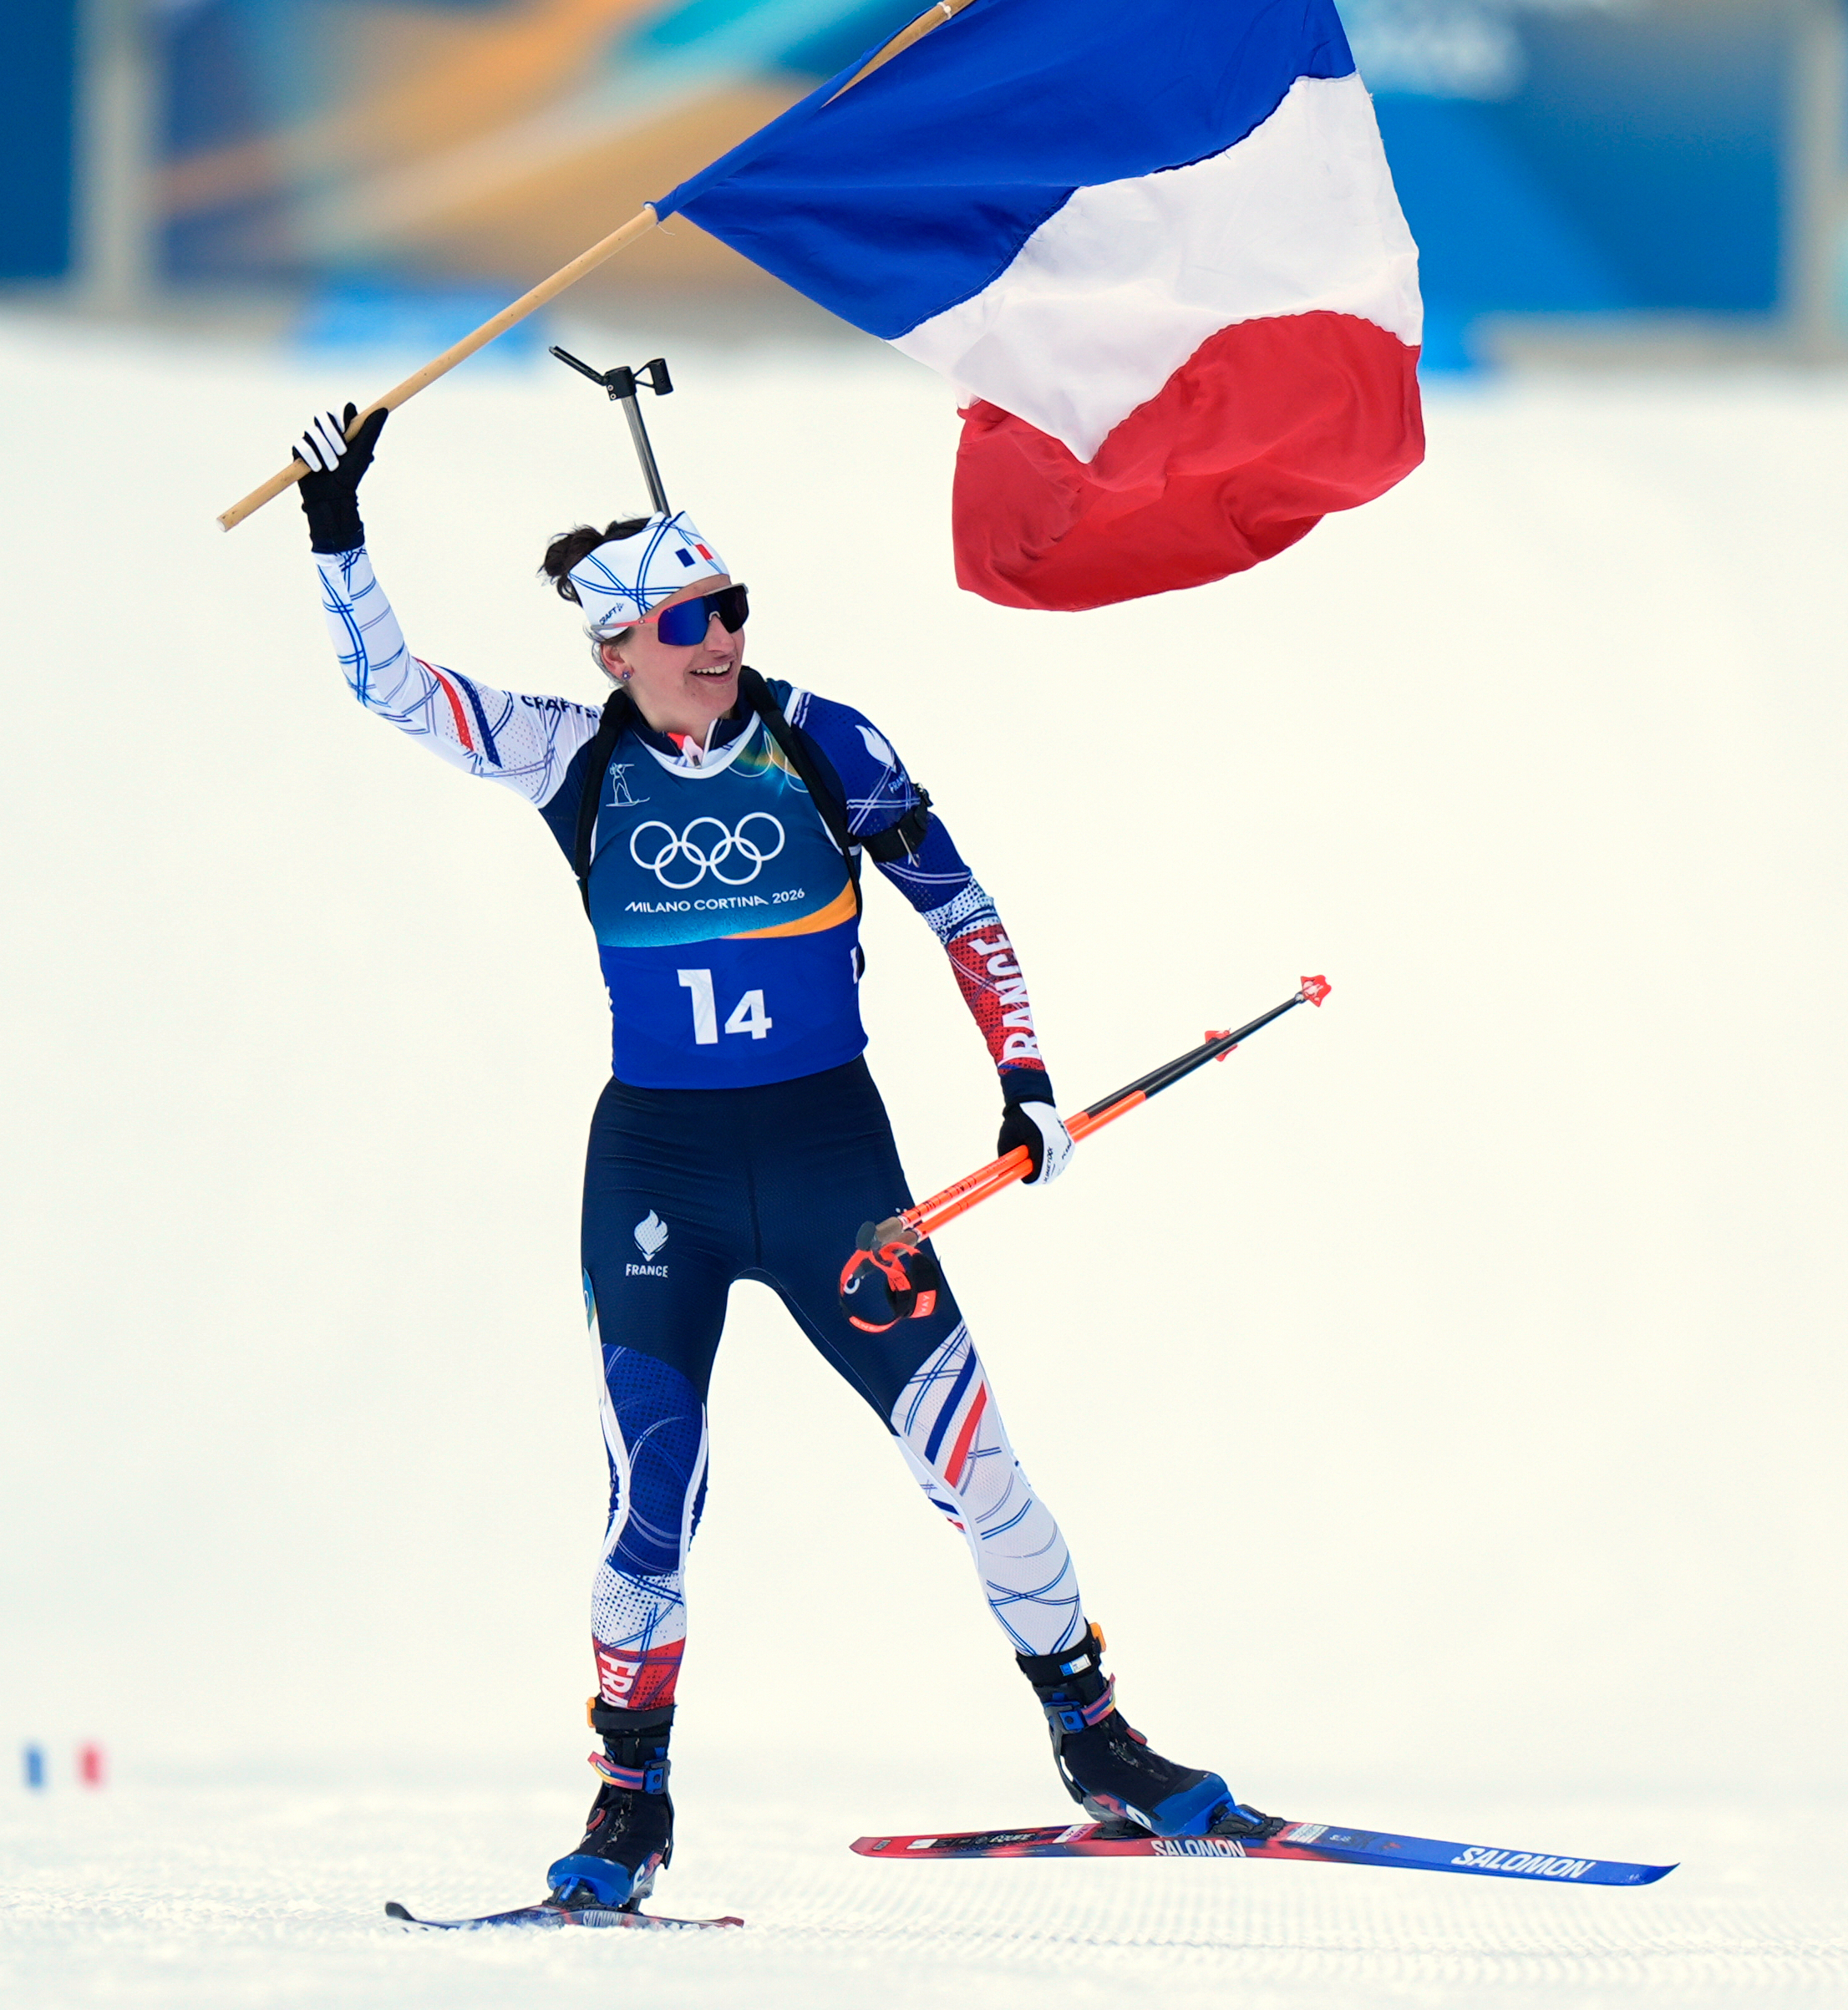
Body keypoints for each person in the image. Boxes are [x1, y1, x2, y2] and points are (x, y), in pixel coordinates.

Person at [280, 402, 1271, 1912]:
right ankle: (629, 1806)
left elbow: (962, 904)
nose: (721, 636)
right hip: (659, 1173)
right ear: (615, 647)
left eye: (731, 606)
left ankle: (1097, 1743)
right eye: (685, 619)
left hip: (828, 1166)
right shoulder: (572, 761)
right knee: (646, 1504)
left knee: (979, 1470)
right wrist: (338, 533)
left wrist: (1028, 1085)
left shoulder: (821, 739)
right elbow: (394, 693)